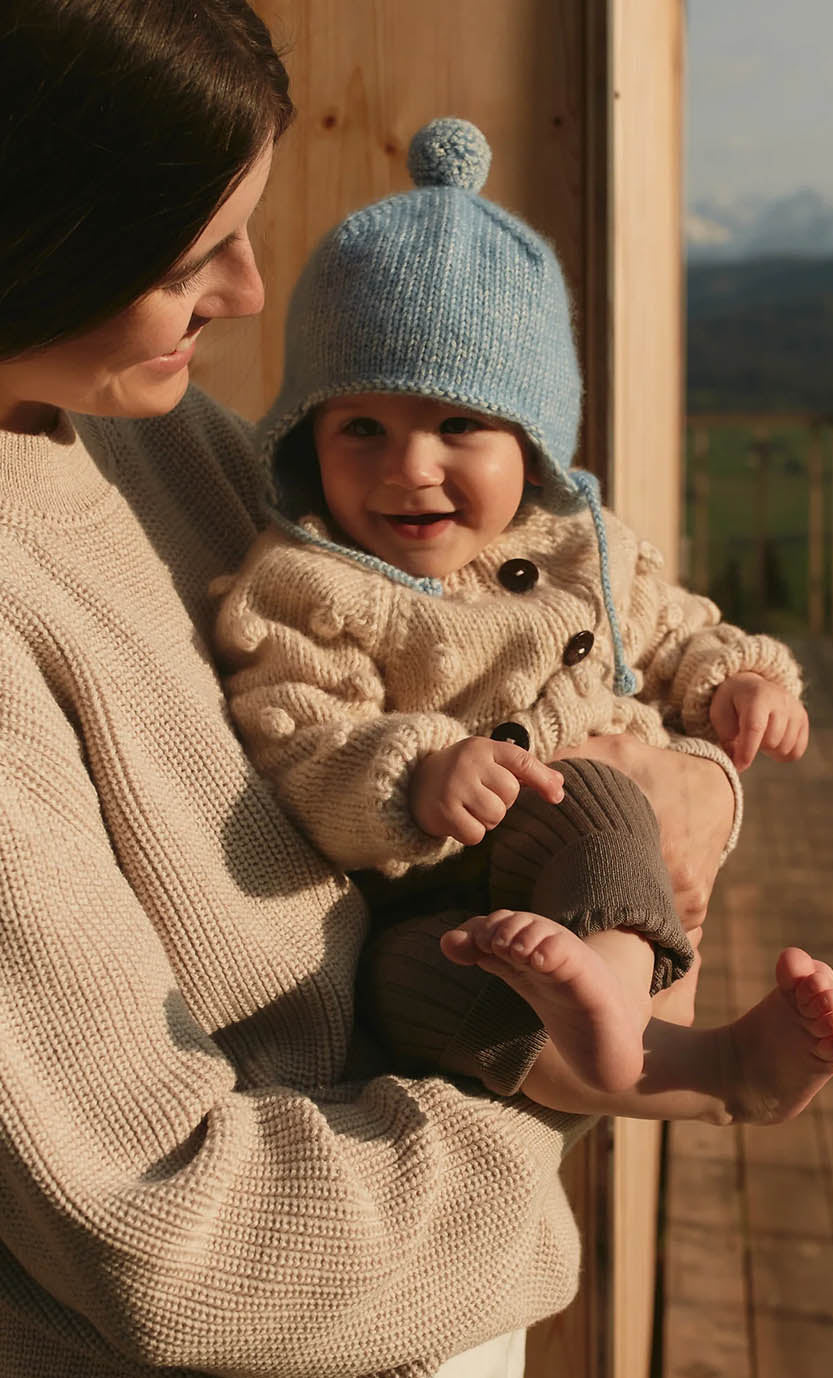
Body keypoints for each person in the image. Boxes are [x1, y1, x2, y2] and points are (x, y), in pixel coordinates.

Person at [0, 6, 753, 1377]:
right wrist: (552, 1083)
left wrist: (694, 790)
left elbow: (561, 649)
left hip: (417, 1253)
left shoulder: (141, 440)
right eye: (188, 255)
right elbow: (173, 1242)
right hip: (335, 1303)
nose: (241, 291)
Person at [213, 118, 833, 1126]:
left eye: (458, 425)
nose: (408, 467)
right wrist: (418, 772)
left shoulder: (579, 547)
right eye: (362, 428)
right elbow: (299, 738)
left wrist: (738, 681)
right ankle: (699, 1071)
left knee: (589, 797)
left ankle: (604, 993)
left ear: (535, 442)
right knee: (404, 980)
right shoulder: (307, 580)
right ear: (310, 437)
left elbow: (677, 631)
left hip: (583, 846)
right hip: (433, 890)